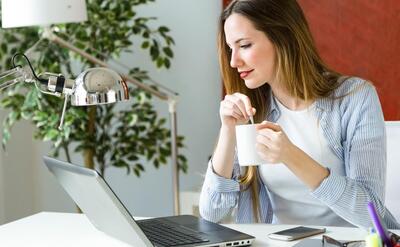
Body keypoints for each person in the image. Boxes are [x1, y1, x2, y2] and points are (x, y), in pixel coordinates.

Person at [199, 0, 399, 229]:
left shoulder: (355, 98)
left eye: (244, 45)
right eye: (229, 49)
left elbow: (370, 214)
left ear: (283, 37)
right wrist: (228, 130)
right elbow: (211, 213)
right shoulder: (253, 109)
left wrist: (290, 155)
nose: (234, 61)